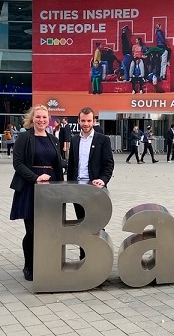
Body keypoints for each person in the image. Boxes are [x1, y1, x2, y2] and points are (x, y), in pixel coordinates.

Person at [9, 105, 64, 282]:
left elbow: (57, 164)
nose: (41, 120)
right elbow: (17, 163)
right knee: (32, 231)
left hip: (50, 190)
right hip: (30, 187)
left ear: (49, 119)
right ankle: (29, 266)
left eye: (44, 117)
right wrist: (35, 177)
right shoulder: (25, 137)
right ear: (32, 119)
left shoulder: (53, 139)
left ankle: (46, 263)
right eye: (38, 117)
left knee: (48, 230)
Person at [67, 106, 114, 259]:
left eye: (89, 120)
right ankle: (84, 259)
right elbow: (72, 165)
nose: (86, 124)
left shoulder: (103, 140)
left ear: (94, 121)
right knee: (82, 225)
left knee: (97, 225)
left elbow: (109, 164)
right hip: (78, 190)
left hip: (95, 190)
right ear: (79, 121)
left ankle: (100, 259)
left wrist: (103, 180)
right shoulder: (74, 140)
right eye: (83, 120)